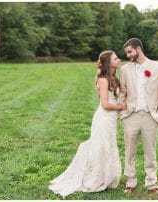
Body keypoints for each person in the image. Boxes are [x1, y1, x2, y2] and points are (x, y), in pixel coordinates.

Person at [49, 50, 127, 197]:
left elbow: (116, 95)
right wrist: (120, 107)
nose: (119, 60)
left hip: (110, 121)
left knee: (108, 146)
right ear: (109, 63)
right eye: (116, 58)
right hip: (103, 119)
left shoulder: (114, 77)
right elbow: (105, 104)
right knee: (100, 147)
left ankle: (108, 177)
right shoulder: (103, 80)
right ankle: (96, 178)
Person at [119, 38, 158, 196]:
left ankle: (152, 184)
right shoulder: (125, 69)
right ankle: (130, 181)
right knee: (129, 151)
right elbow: (122, 92)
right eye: (126, 52)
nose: (127, 55)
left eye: (129, 52)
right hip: (131, 115)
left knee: (150, 151)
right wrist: (123, 114)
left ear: (138, 49)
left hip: (150, 116)